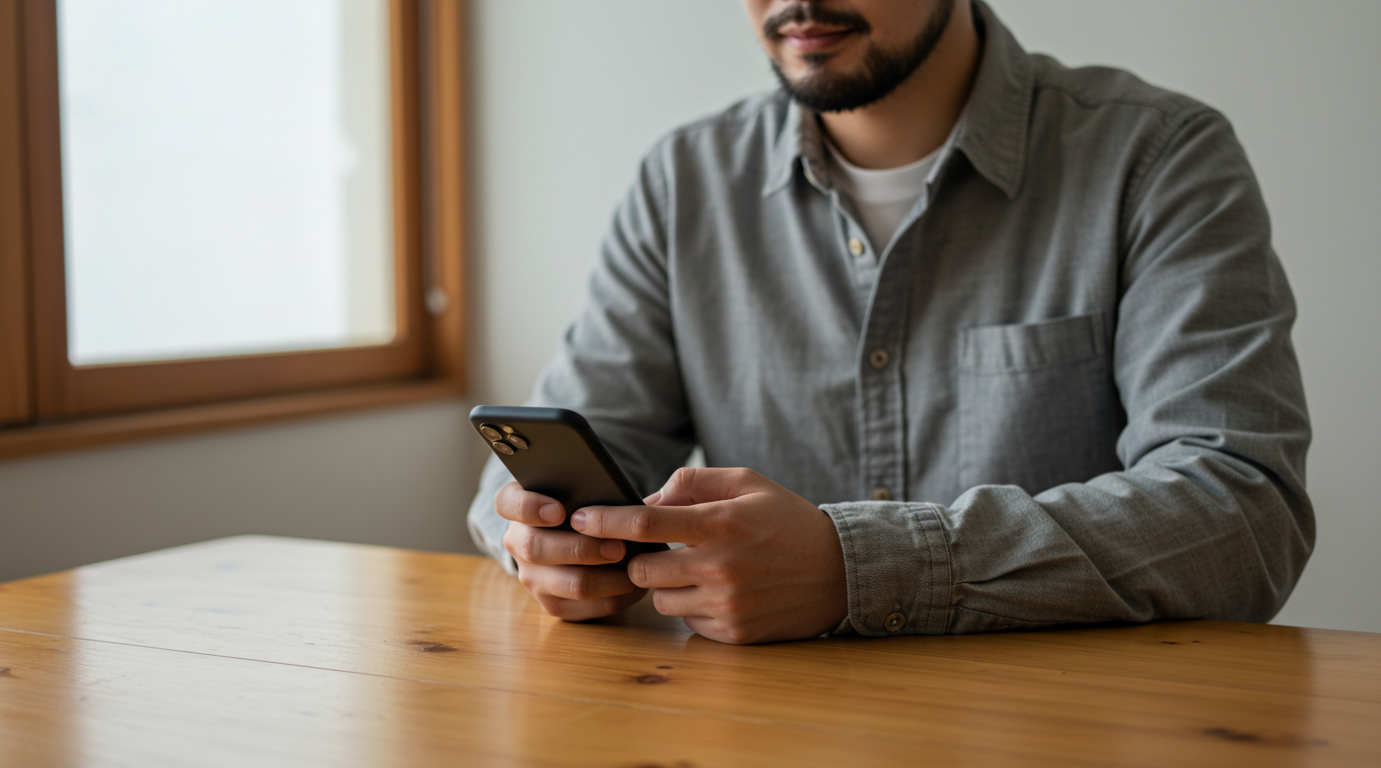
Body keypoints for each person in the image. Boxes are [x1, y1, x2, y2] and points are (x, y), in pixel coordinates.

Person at [466, 0, 1313, 644]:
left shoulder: (1157, 157)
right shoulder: (685, 180)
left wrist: (856, 568)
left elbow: (1241, 512)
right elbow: (554, 458)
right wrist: (547, 543)